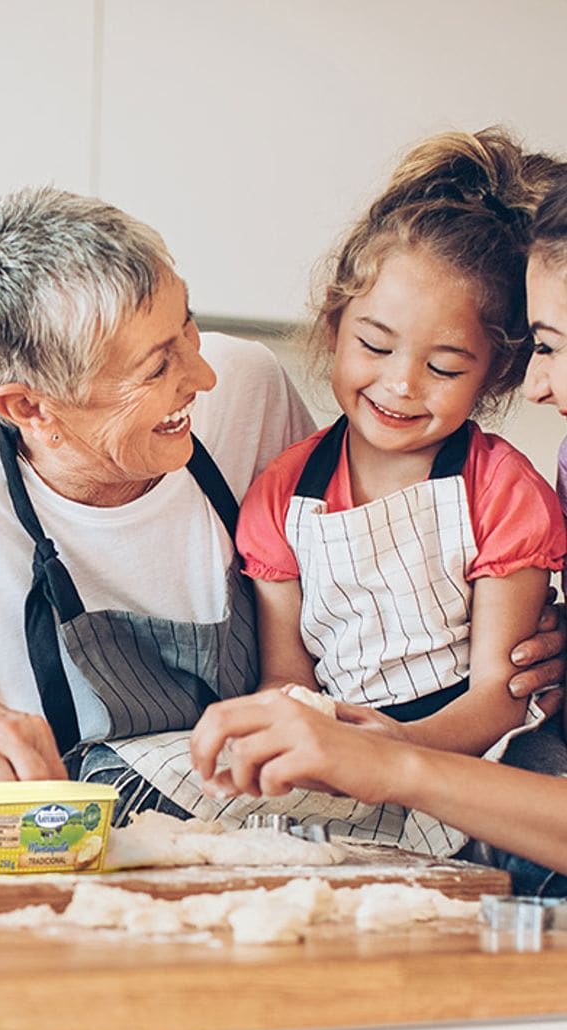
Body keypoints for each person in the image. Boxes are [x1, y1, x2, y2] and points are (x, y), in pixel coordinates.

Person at [0, 185, 562, 842]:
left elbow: (366, 582)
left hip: (281, 842)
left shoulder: (244, 389)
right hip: (88, 869)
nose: (203, 374)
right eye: (158, 367)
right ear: (30, 407)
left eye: (188, 327)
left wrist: (518, 644)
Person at [191, 169, 567, 893]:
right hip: (350, 753)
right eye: (376, 346)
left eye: (445, 366)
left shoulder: (501, 489)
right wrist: (306, 737)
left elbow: (503, 692)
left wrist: (391, 752)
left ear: (491, 375)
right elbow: (286, 677)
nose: (401, 385)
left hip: (483, 763)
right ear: (334, 325)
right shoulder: (283, 495)